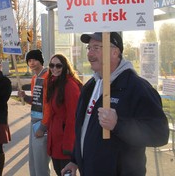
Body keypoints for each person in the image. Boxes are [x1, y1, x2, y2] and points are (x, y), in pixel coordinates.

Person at [61, 32, 169, 176]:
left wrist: (118, 124)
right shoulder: (91, 86)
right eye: (89, 48)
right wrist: (75, 160)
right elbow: (84, 127)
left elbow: (160, 134)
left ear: (114, 52)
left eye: (96, 48)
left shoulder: (137, 88)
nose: (90, 54)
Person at [46, 54, 82, 176]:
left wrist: (68, 146)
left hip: (65, 145)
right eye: (51, 65)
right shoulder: (54, 83)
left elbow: (73, 118)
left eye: (58, 65)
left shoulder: (70, 86)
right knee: (58, 172)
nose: (54, 68)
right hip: (55, 141)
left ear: (65, 66)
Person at [17, 49, 51, 176]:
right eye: (29, 60)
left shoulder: (48, 76)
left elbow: (49, 104)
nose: (31, 63)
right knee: (33, 160)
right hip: (34, 121)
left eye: (34, 60)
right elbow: (37, 101)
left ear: (40, 60)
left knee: (41, 162)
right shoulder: (34, 78)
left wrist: (43, 126)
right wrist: (25, 97)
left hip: (43, 124)